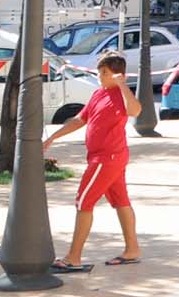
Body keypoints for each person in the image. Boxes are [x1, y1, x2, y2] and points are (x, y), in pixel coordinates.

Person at [43, 52, 144, 270]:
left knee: (83, 201)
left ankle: (73, 257)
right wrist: (54, 136)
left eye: (105, 72)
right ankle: (132, 249)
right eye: (100, 72)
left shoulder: (120, 94)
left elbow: (135, 110)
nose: (100, 76)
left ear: (117, 74)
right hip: (105, 157)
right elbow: (80, 119)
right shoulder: (99, 94)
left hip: (107, 158)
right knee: (120, 201)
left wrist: (122, 85)